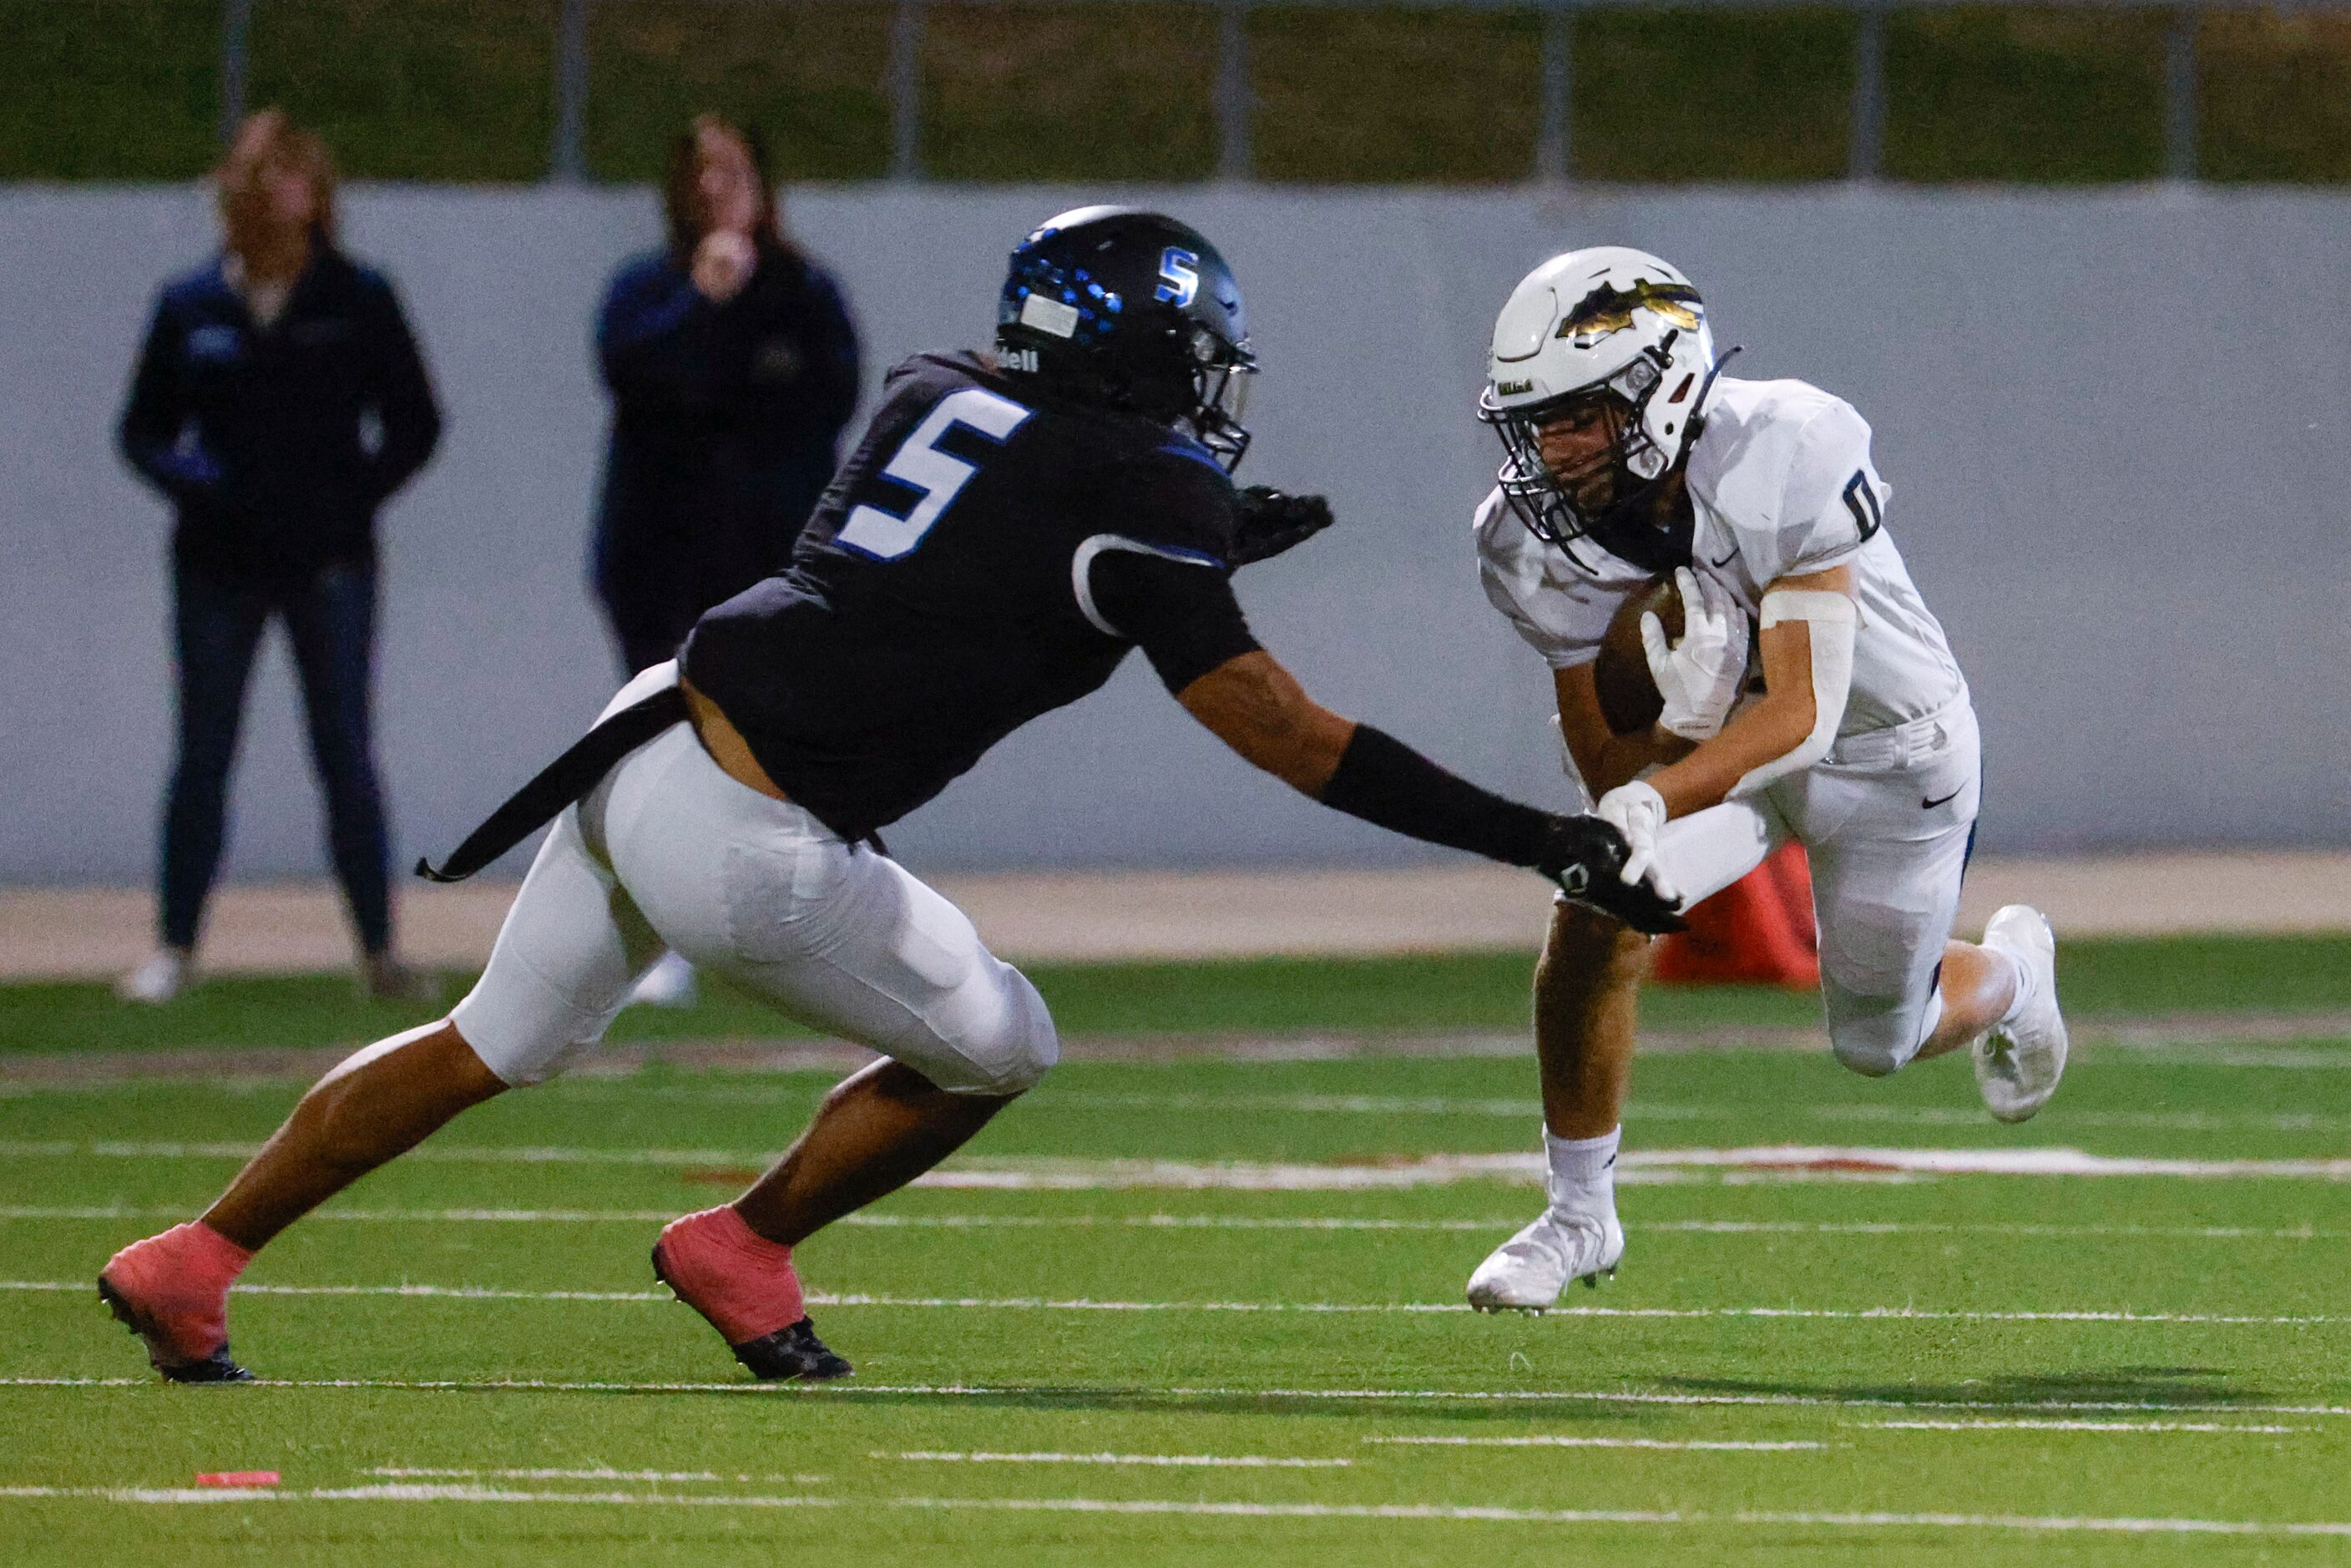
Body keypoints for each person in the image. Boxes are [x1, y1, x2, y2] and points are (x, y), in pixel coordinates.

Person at [95, 208, 1679, 1385]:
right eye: (1189, 358)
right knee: (1002, 1041)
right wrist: (1531, 835)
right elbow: (1281, 730)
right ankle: (743, 1240)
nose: (1206, 389)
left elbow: (980, 544)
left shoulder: (935, 387)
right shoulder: (1145, 490)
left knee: (489, 1041)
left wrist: (1198, 545)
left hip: (649, 724)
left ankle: (199, 1252)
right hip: (755, 837)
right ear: (1140, 356)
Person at [1461, 247, 2070, 1312]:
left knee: (1879, 1041)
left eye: (1575, 417)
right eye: (1534, 423)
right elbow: (1605, 765)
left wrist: (1656, 792)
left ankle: (2015, 972)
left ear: (1661, 390)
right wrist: (1648, 767)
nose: (1548, 453)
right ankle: (1575, 1217)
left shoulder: (1782, 445)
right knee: (1595, 902)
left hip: (1888, 753)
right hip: (1729, 761)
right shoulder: (1526, 540)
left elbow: (1802, 711)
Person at [114, 110, 442, 1005]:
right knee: (204, 751)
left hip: (330, 562)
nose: (271, 192)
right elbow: (141, 431)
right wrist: (202, 485)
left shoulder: (358, 298)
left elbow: (416, 422)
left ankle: (379, 951)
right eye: (255, 175)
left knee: (343, 749)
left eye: (289, 174)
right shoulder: (191, 306)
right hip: (218, 563)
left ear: (318, 194)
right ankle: (174, 948)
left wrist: (350, 496)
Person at [592, 114, 862, 1008]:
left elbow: (831, 404)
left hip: (767, 568)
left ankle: (789, 930)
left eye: (732, 172)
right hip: (659, 560)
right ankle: (659, 937)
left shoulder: (803, 292)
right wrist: (700, 304)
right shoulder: (646, 291)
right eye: (698, 173)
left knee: (774, 753)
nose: (714, 191)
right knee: (665, 752)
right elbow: (631, 375)